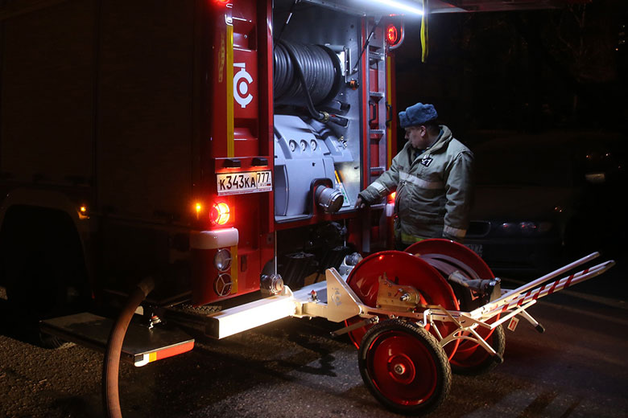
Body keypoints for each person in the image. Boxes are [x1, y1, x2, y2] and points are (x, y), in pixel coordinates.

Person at [355, 102, 473, 250]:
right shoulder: (409, 150)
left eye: (409, 132)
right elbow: (393, 175)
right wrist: (367, 195)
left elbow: (458, 205)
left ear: (422, 131)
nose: (405, 137)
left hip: (433, 244)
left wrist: (450, 246)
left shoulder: (456, 156)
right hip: (406, 238)